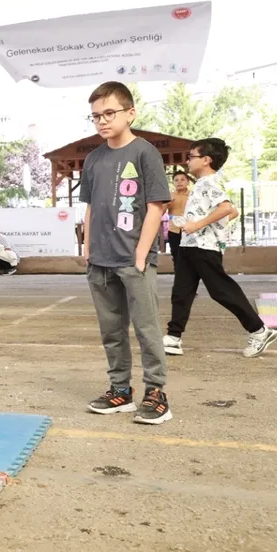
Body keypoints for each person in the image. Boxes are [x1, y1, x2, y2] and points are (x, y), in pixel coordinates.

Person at [80, 81, 172, 425]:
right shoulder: (93, 159)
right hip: (100, 262)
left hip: (134, 261)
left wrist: (141, 255)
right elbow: (90, 207)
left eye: (109, 113)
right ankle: (120, 390)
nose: (102, 121)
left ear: (130, 113)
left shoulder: (145, 152)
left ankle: (156, 392)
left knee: (147, 329)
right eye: (95, 116)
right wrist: (88, 248)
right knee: (111, 330)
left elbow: (157, 206)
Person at [164, 138, 277, 358]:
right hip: (190, 245)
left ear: (206, 160)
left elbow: (227, 208)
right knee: (181, 291)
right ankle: (173, 337)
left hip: (204, 247)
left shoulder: (210, 182)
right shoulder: (202, 183)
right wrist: (200, 224)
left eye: (191, 156)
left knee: (221, 290)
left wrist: (198, 225)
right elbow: (232, 212)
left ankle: (258, 330)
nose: (187, 161)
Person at [167, 171, 191, 266]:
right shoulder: (169, 196)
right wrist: (167, 204)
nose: (179, 182)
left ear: (188, 182)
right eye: (176, 180)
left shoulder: (193, 195)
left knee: (190, 255)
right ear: (173, 182)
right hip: (174, 230)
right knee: (176, 254)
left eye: (182, 180)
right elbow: (161, 211)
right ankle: (178, 272)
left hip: (190, 229)